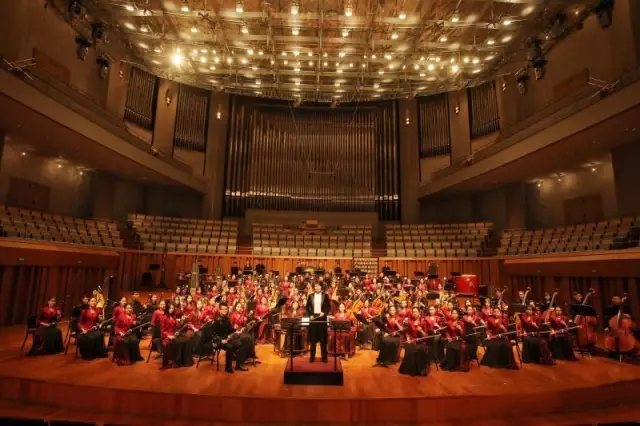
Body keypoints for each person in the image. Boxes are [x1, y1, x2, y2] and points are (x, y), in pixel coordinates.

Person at [213, 304, 249, 373]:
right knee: (229, 347)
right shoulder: (216, 320)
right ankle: (228, 367)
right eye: (223, 309)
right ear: (219, 310)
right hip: (218, 340)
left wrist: (236, 330)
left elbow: (230, 330)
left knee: (240, 344)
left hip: (227, 339)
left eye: (226, 309)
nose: (225, 310)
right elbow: (213, 334)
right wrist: (221, 340)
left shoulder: (226, 318)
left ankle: (238, 365)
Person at [306, 282, 331, 363]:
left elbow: (328, 307)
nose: (317, 287)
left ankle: (324, 357)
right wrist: (310, 315)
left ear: (321, 287)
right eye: (316, 286)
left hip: (322, 318)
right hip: (313, 318)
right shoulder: (310, 296)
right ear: (314, 287)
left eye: (319, 286)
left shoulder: (325, 296)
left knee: (323, 339)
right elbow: (307, 307)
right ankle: (312, 357)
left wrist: (324, 313)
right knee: (313, 339)